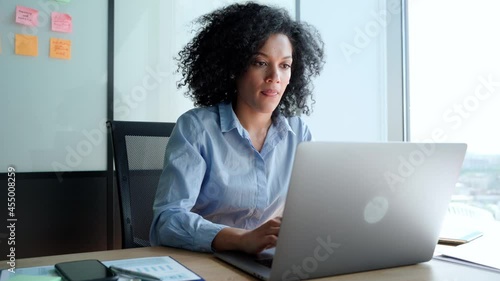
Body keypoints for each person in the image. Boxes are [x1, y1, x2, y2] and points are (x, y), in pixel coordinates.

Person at [150, 2, 324, 254]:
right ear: (234, 67)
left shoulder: (299, 133)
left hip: (271, 261)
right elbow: (166, 221)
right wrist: (241, 239)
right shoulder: (197, 128)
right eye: (260, 62)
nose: (274, 76)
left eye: (285, 65)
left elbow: (309, 210)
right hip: (210, 260)